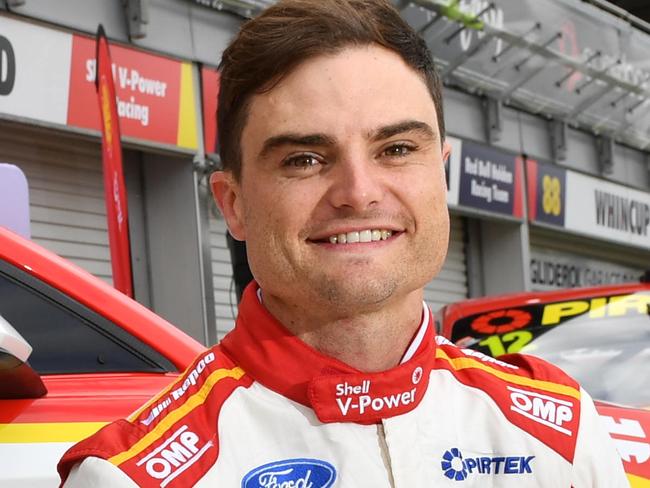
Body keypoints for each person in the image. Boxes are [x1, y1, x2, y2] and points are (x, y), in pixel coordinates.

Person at [58, 0, 627, 486]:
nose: (358, 193)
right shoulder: (127, 478)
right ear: (233, 204)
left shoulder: (562, 431)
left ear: (442, 174)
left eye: (398, 149)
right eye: (305, 159)